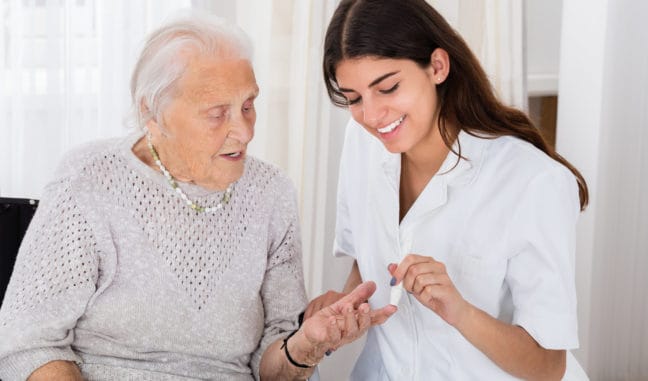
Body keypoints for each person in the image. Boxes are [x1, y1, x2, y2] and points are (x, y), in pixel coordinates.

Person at [0, 13, 395, 381]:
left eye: (248, 105)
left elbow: (273, 365)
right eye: (216, 112)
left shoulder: (271, 194)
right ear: (152, 113)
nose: (244, 131)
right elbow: (29, 342)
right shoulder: (88, 180)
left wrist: (307, 345)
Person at [304, 0, 590, 380]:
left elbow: (548, 366)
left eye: (387, 87)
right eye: (354, 98)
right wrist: (347, 302)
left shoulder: (531, 181)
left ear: (437, 67)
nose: (371, 115)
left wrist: (461, 312)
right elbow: (368, 250)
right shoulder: (361, 142)